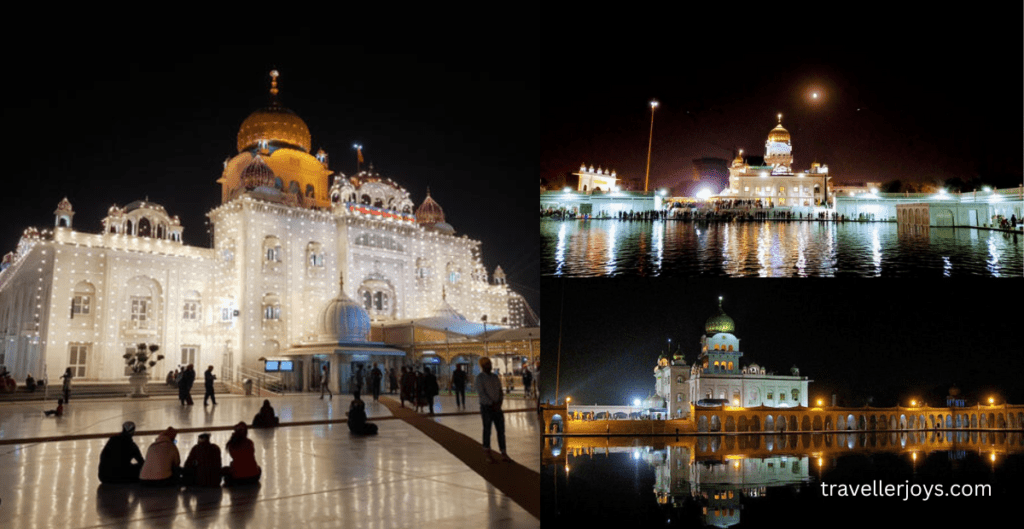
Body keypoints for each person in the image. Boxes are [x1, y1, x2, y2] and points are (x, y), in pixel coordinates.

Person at [475, 357, 510, 463]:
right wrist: (492, 404)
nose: (489, 366)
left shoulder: (495, 377)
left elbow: (500, 391)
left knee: (501, 431)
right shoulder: (480, 378)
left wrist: (499, 403)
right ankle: (487, 452)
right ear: (482, 366)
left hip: (497, 407)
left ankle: (503, 452)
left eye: (489, 363)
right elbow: (482, 393)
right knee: (487, 430)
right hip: (487, 408)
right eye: (486, 364)